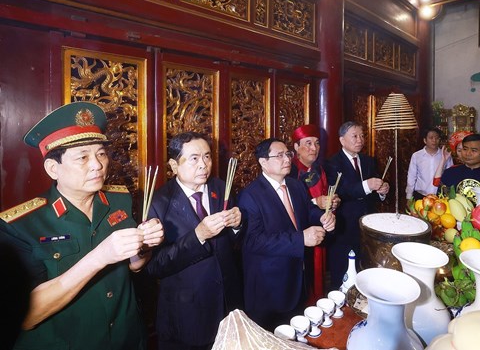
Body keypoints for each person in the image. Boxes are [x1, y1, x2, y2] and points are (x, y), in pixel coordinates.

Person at [0, 102, 164, 350]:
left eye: (100, 153)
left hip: (127, 338)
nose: (97, 165)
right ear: (53, 168)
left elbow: (135, 267)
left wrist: (144, 246)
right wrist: (100, 256)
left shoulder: (119, 199)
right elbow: (26, 316)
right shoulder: (20, 225)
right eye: (83, 157)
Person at [144, 132, 243, 350]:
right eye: (194, 158)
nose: (203, 165)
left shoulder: (220, 187)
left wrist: (237, 225)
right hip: (187, 313)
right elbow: (155, 266)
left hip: (228, 303)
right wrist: (198, 236)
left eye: (207, 157)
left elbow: (235, 245)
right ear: (174, 164)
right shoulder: (159, 201)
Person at [238, 138, 335, 331]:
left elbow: (307, 211)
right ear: (263, 162)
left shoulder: (295, 185)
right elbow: (253, 241)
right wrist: (301, 239)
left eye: (288, 154)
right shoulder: (250, 195)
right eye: (279, 156)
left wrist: (324, 217)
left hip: (297, 277)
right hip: (269, 285)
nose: (287, 159)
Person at [324, 121, 389, 288]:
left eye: (362, 136)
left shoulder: (368, 161)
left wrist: (382, 191)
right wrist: (367, 185)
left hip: (367, 224)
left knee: (365, 266)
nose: (360, 140)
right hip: (344, 226)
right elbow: (342, 191)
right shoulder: (332, 163)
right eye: (354, 136)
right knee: (342, 270)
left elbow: (373, 191)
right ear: (342, 140)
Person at [289, 124, 340, 303]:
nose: (314, 148)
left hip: (320, 228)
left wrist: (332, 203)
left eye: (317, 143)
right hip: (299, 232)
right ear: (296, 147)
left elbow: (325, 196)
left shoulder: (320, 169)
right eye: (308, 143)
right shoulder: (289, 171)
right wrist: (315, 202)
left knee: (319, 272)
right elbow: (289, 203)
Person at [405, 128, 453, 201]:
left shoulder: (445, 155)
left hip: (440, 196)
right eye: (431, 138)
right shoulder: (417, 156)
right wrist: (409, 196)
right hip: (421, 196)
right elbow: (411, 177)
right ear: (425, 140)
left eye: (437, 138)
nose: (434, 140)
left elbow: (450, 175)